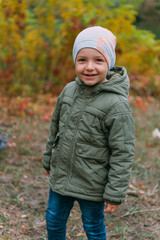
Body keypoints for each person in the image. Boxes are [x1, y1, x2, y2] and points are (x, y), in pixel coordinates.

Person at [42, 26, 135, 240]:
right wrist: (48, 159)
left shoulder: (116, 104)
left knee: (93, 226)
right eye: (82, 60)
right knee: (53, 219)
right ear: (75, 61)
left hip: (94, 182)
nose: (89, 67)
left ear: (109, 63)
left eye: (98, 60)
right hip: (62, 176)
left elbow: (123, 151)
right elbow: (55, 128)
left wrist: (115, 192)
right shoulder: (68, 91)